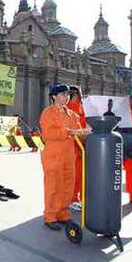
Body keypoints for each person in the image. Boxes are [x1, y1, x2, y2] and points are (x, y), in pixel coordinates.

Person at [40, 84, 87, 231]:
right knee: (53, 186)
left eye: (67, 95)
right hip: (53, 155)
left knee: (67, 185)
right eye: (62, 95)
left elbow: (79, 130)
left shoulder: (72, 115)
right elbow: (48, 134)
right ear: (54, 97)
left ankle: (63, 213)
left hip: (69, 155)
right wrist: (69, 132)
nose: (66, 97)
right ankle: (50, 216)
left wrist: (85, 133)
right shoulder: (48, 113)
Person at [67, 85, 86, 212]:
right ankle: (72, 199)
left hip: (81, 147)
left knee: (80, 175)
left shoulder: (80, 108)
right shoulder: (70, 110)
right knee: (74, 176)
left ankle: (76, 197)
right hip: (74, 148)